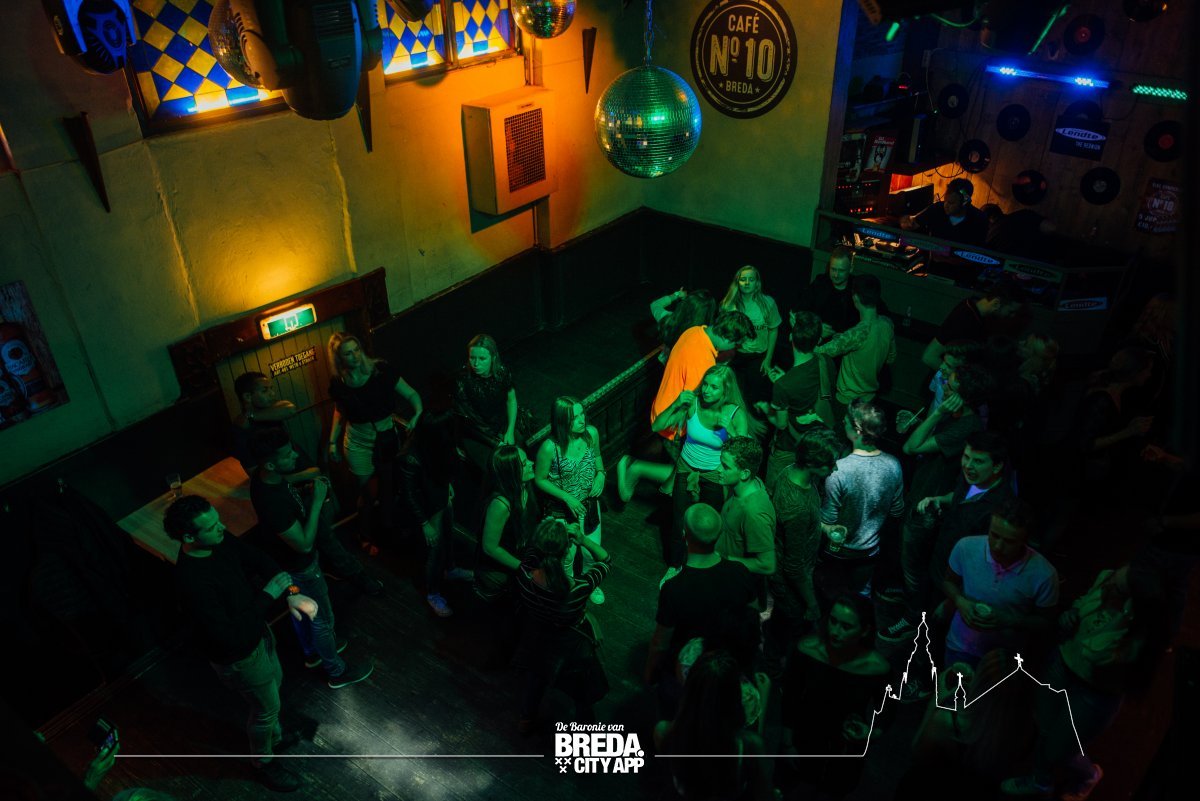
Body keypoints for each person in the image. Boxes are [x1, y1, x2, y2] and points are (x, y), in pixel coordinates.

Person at [165, 495, 318, 792]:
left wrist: (291, 592)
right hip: (239, 656)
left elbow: (258, 559)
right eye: (211, 526)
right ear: (188, 537)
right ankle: (263, 763)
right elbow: (228, 635)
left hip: (257, 634)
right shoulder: (192, 581)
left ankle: (274, 738)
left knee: (275, 687)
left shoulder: (217, 541)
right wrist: (269, 595)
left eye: (218, 520)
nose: (221, 527)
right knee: (265, 710)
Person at [1001, 560, 1169, 800]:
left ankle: (1089, 775)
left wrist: (1123, 616)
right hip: (1062, 662)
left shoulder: (1141, 630)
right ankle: (1040, 782)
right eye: (1114, 579)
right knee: (1045, 729)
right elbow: (1083, 603)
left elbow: (1096, 652)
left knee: (1060, 750)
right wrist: (1072, 613)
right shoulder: (1108, 578)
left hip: (1094, 691)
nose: (1109, 587)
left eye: (1118, 590)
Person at [232, 371, 384, 597]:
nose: (272, 393)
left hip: (301, 487)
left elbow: (289, 408)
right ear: (247, 396)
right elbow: (258, 474)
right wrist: (305, 476)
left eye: (271, 388)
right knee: (323, 537)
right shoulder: (244, 435)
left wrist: (252, 415)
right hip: (293, 493)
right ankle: (356, 576)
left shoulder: (263, 414)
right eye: (265, 390)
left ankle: (335, 571)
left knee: (321, 536)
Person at [249, 429, 374, 688]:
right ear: (270, 464)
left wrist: (304, 485)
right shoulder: (273, 502)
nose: (295, 455)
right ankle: (336, 671)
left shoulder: (264, 479)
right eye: (287, 455)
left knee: (301, 613)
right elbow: (304, 544)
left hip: (287, 567)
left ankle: (312, 653)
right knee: (323, 620)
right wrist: (316, 501)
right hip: (302, 568)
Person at [780, 594, 890, 800]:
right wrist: (787, 743)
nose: (835, 631)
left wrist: (871, 734)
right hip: (806, 735)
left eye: (846, 626)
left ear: (864, 631)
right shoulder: (808, 651)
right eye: (833, 621)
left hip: (845, 744)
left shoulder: (876, 668)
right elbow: (790, 698)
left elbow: (887, 709)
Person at [647, 364, 749, 576]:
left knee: (710, 522)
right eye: (706, 384)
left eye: (714, 387)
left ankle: (704, 565)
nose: (707, 390)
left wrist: (731, 431)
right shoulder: (693, 403)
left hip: (714, 474)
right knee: (679, 521)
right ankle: (675, 566)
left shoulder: (735, 413)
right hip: (686, 468)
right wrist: (676, 403)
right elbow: (656, 426)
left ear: (725, 390)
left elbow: (744, 454)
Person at [326, 332, 423, 553]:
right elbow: (339, 411)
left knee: (388, 487)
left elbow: (412, 394)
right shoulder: (339, 382)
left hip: (385, 436)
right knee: (368, 492)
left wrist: (417, 414)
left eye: (357, 350)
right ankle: (365, 532)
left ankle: (388, 528)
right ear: (339, 358)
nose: (355, 356)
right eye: (348, 353)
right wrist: (332, 442)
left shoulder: (381, 370)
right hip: (357, 441)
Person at [645, 503, 758, 688]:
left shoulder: (674, 589)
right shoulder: (740, 572)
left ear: (684, 535)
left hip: (688, 670)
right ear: (719, 535)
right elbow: (752, 613)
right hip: (728, 663)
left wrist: (650, 673)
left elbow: (660, 643)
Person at [514, 517, 611, 734]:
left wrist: (549, 529)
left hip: (538, 635)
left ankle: (526, 720)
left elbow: (533, 551)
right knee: (581, 687)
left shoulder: (524, 573)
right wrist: (582, 539)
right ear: (567, 551)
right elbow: (606, 560)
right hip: (570, 644)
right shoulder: (577, 589)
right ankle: (585, 726)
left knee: (536, 677)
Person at [764, 427, 846, 672]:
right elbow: (793, 567)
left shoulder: (791, 471)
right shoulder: (796, 507)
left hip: (793, 575)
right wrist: (811, 604)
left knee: (781, 623)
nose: (835, 469)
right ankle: (776, 672)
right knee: (791, 630)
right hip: (790, 582)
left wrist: (824, 528)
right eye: (830, 464)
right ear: (811, 463)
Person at [942, 498, 1058, 668]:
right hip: (959, 646)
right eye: (994, 535)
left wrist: (1010, 620)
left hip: (1003, 660)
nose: (997, 546)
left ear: (1025, 540)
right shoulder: (966, 547)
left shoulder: (1044, 574)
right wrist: (960, 601)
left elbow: (1046, 622)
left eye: (1009, 541)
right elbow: (948, 582)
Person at [655, 649, 772, 801]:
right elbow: (763, 792)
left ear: (690, 690)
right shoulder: (749, 746)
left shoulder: (665, 733)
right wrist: (763, 700)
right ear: (735, 696)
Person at [818, 400, 905, 604]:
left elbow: (828, 519)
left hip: (838, 552)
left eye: (846, 420)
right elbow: (897, 510)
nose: (842, 421)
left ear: (857, 430)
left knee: (832, 599)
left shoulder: (839, 470)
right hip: (870, 550)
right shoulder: (894, 465)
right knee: (861, 601)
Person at [396, 409, 474, 618]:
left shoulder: (436, 445)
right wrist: (424, 523)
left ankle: (451, 569)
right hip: (428, 508)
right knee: (434, 551)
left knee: (447, 537)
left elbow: (440, 469)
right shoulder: (410, 457)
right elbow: (408, 494)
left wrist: (447, 486)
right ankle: (432, 594)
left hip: (440, 499)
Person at [534, 396, 607, 604]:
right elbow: (539, 479)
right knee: (567, 556)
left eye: (582, 413)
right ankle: (568, 587)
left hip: (589, 504)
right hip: (562, 511)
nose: (582, 420)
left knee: (591, 550)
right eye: (575, 417)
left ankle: (591, 583)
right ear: (562, 421)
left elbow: (597, 458)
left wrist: (601, 474)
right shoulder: (550, 447)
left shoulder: (591, 434)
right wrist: (567, 497)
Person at [649, 309, 756, 450]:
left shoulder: (694, 331)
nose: (734, 349)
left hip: (661, 407)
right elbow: (695, 405)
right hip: (673, 427)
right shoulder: (703, 363)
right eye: (736, 345)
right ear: (726, 338)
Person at [758, 310, 830, 486]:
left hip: (788, 448)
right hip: (814, 443)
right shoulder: (825, 362)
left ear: (790, 337)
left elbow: (781, 424)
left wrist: (766, 409)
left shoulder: (783, 386)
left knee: (775, 490)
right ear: (818, 341)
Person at [814, 275, 896, 423]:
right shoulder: (887, 324)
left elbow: (818, 353)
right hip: (870, 399)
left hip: (848, 402)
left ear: (855, 298)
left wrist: (819, 335)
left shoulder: (857, 333)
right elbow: (890, 358)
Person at [474, 445, 540, 602]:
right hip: (496, 573)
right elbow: (490, 548)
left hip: (515, 565)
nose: (531, 463)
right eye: (524, 463)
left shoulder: (526, 488)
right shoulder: (501, 504)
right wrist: (523, 568)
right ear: (511, 472)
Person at [454, 334, 530, 461]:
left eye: (482, 358)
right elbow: (469, 418)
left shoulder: (501, 372)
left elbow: (511, 400)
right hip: (478, 427)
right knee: (499, 459)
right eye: (472, 358)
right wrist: (495, 441)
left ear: (493, 357)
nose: (476, 363)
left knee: (520, 451)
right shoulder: (463, 381)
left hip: (501, 420)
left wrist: (510, 430)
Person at [921, 285, 1025, 371]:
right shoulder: (964, 318)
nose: (1012, 316)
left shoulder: (975, 309)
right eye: (1011, 311)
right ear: (996, 303)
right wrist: (961, 382)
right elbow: (929, 357)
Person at [719, 265, 782, 407]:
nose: (747, 283)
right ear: (737, 282)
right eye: (743, 279)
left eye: (751, 279)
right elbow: (722, 334)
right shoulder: (729, 304)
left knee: (753, 397)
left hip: (758, 357)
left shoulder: (768, 303)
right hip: (735, 355)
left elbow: (773, 330)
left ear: (757, 282)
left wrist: (768, 359)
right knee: (731, 394)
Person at [715, 436, 777, 578]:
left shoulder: (754, 513)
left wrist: (720, 559)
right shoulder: (742, 485)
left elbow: (767, 565)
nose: (718, 469)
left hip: (735, 580)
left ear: (745, 473)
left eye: (725, 467)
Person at [900, 177, 988, 245]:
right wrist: (906, 222)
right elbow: (913, 222)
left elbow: (977, 252)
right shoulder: (937, 208)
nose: (946, 205)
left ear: (965, 203)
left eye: (951, 203)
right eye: (945, 200)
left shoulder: (979, 219)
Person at [795, 246, 858, 339]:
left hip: (845, 342)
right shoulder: (821, 282)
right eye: (833, 269)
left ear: (851, 269)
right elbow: (801, 309)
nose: (836, 275)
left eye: (841, 271)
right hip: (816, 338)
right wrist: (817, 327)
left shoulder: (858, 288)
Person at [652, 288, 717, 364]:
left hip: (667, 360)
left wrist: (677, 294)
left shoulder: (669, 320)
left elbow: (655, 305)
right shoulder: (707, 336)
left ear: (685, 304)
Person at [981, 203, 1056, 258]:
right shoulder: (1024, 214)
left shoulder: (989, 239)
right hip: (1049, 259)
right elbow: (1051, 228)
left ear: (988, 220)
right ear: (999, 210)